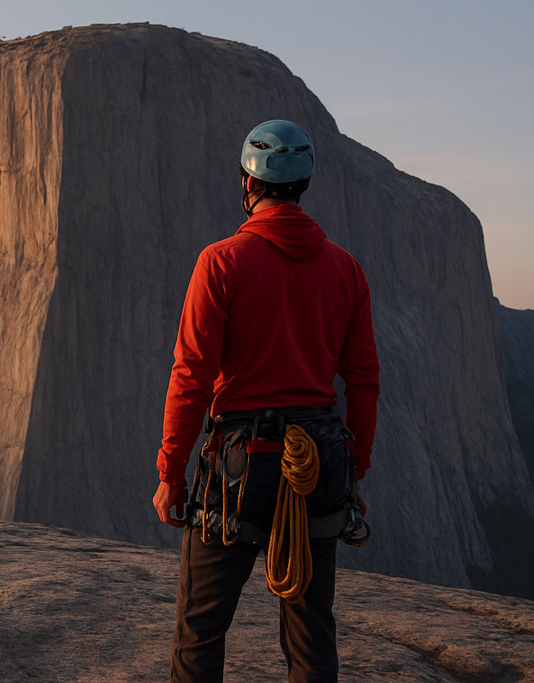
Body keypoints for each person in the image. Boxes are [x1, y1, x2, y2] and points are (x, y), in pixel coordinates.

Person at [152, 119, 379, 682]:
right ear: (303, 184)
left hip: (239, 464)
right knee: (311, 635)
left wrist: (171, 474)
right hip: (317, 462)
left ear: (247, 183)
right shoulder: (345, 270)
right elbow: (364, 379)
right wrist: (355, 473)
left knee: (200, 631)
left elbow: (191, 377)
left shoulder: (221, 262)